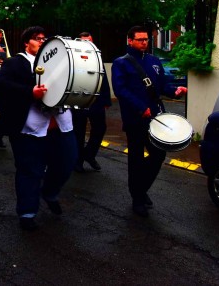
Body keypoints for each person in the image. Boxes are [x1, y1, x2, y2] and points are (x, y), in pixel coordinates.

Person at [0, 26, 78, 231]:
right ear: (26, 43)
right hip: (30, 128)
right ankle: (27, 212)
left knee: (67, 163)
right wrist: (29, 92)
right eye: (37, 39)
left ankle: (49, 192)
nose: (42, 42)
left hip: (60, 125)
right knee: (30, 170)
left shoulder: (58, 63)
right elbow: (2, 87)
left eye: (44, 39)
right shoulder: (15, 63)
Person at [111, 26, 188, 217]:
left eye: (146, 39)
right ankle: (137, 198)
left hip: (156, 117)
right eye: (139, 40)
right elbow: (121, 90)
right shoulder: (121, 63)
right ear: (130, 40)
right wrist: (139, 107)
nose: (144, 42)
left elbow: (162, 86)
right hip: (135, 119)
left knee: (158, 155)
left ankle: (139, 189)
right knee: (135, 158)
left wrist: (175, 91)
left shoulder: (154, 61)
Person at [72, 32, 112, 172]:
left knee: (100, 129)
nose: (87, 44)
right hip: (78, 98)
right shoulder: (73, 57)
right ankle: (77, 161)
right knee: (78, 131)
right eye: (83, 41)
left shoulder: (97, 56)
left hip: (96, 100)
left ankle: (89, 155)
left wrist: (106, 99)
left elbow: (104, 78)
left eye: (89, 41)